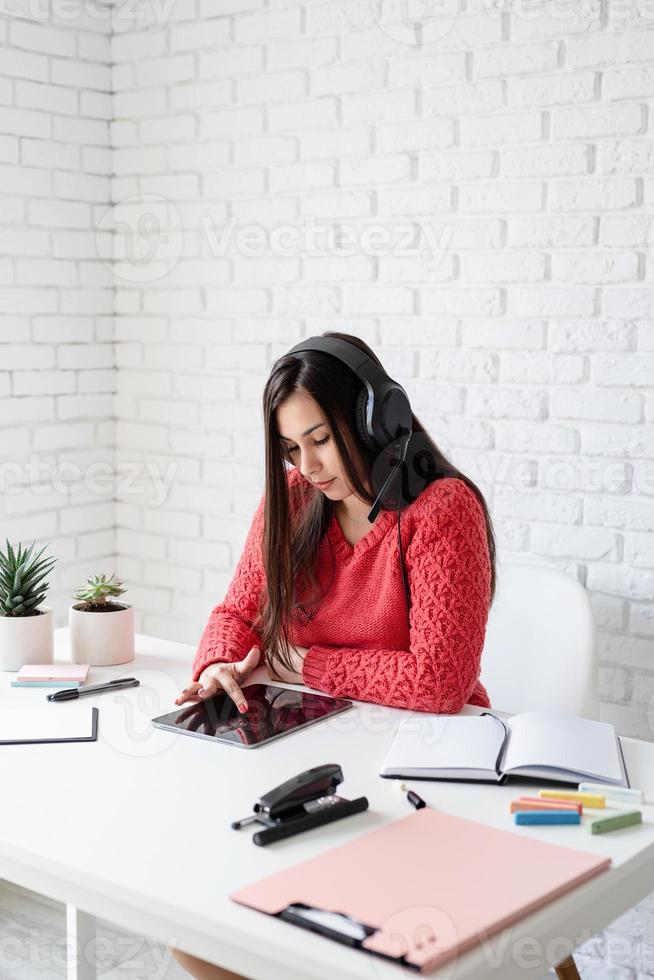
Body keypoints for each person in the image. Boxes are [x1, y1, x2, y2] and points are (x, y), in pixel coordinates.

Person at [168, 332, 497, 979]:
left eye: (320, 439)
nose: (309, 466)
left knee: (345, 942)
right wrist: (217, 663)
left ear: (377, 417)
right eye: (292, 448)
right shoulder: (293, 499)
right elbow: (237, 611)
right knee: (198, 930)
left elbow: (438, 683)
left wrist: (304, 664)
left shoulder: (440, 509)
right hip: (322, 753)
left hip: (424, 767)